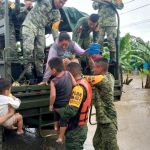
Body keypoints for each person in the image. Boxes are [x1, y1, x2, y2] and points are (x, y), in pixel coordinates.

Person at [21, 0, 67, 78]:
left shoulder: (57, 14)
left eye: (63, 3)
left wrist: (57, 41)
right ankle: (28, 73)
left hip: (41, 29)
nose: (61, 5)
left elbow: (55, 28)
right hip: (30, 24)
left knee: (40, 53)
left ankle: (39, 75)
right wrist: (28, 1)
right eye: (60, 1)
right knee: (28, 49)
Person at [55, 62, 93, 149]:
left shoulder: (78, 88)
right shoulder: (85, 82)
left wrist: (57, 110)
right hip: (80, 126)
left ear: (69, 73)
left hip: (76, 130)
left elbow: (71, 111)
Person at [86, 58, 119, 150]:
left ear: (100, 68)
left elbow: (81, 77)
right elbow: (94, 69)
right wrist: (89, 56)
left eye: (96, 68)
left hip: (108, 120)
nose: (93, 70)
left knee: (111, 147)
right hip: (103, 119)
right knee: (97, 142)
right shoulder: (109, 75)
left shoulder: (102, 79)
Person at [48, 57, 76, 143]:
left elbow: (53, 95)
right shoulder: (68, 73)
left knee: (57, 117)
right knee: (63, 119)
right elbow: (75, 83)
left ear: (54, 70)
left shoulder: (53, 81)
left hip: (57, 104)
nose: (48, 71)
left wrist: (51, 105)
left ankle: (60, 135)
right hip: (67, 103)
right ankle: (59, 133)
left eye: (49, 69)